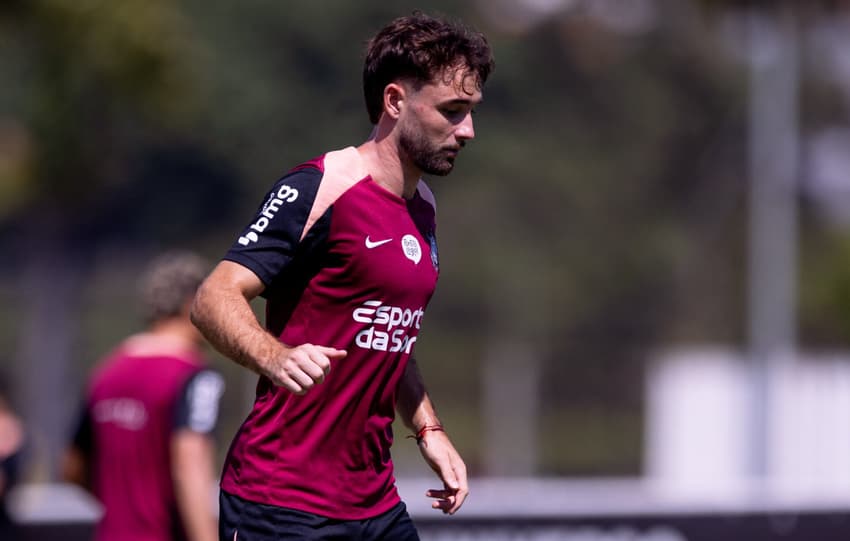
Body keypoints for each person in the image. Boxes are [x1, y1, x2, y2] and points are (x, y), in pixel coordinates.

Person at [190, 11, 494, 541]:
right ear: (395, 101)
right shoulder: (320, 187)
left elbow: (388, 332)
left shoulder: (423, 207)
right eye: (452, 111)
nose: (467, 130)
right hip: (278, 504)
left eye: (471, 112)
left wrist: (428, 428)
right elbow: (213, 297)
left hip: (374, 504)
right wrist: (275, 355)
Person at [63, 251, 225, 541]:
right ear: (193, 303)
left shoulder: (106, 373)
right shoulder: (194, 376)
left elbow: (72, 467)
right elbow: (191, 464)